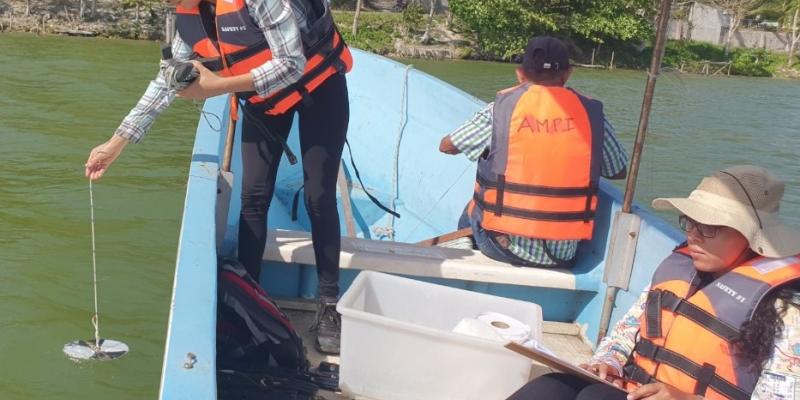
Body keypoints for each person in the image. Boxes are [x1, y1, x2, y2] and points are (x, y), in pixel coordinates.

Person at [83, 0, 352, 354]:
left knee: (318, 196)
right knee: (253, 198)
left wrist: (219, 85)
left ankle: (329, 305)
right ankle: (253, 301)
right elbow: (166, 82)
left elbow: (292, 63)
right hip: (264, 102)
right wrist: (116, 143)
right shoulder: (188, 19)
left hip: (319, 89)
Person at [508, 165, 800, 400]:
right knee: (552, 387)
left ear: (751, 236)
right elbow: (627, 333)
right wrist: (608, 362)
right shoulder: (681, 268)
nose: (694, 235)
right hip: (638, 389)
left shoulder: (786, 310)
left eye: (710, 228)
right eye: (690, 222)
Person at [439, 36, 627, 268]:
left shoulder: (500, 110)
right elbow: (618, 171)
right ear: (568, 74)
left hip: (502, 247)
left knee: (475, 205)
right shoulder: (591, 115)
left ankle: (464, 244)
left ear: (520, 74)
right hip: (563, 255)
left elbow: (447, 146)